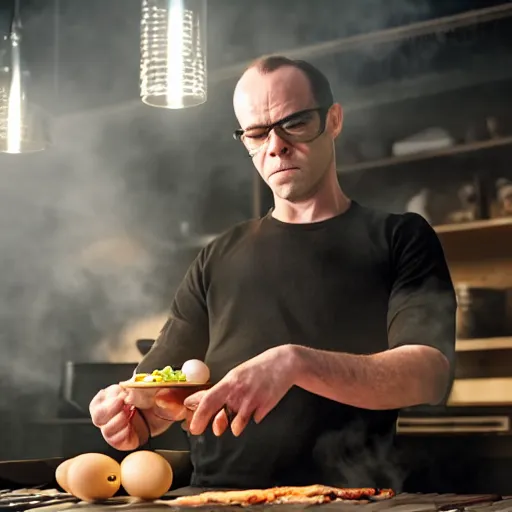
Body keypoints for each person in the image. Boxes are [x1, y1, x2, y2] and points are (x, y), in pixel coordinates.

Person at [89, 55, 457, 490]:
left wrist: (294, 362)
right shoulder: (217, 256)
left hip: (348, 496)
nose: (275, 146)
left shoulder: (400, 237)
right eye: (257, 133)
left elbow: (429, 374)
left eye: (295, 124)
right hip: (213, 499)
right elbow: (163, 394)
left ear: (333, 120)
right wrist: (133, 416)